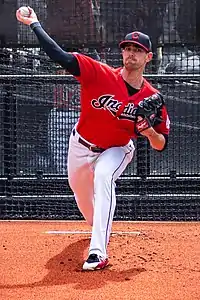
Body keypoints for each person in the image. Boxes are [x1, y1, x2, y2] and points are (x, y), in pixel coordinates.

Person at [16, 7, 170, 271]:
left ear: (148, 57)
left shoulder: (151, 97)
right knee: (84, 201)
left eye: (137, 49)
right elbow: (60, 56)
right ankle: (97, 222)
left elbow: (161, 144)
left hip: (117, 149)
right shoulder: (98, 73)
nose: (131, 53)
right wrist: (35, 24)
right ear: (122, 53)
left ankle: (97, 253)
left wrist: (148, 131)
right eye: (127, 48)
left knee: (104, 177)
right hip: (80, 145)